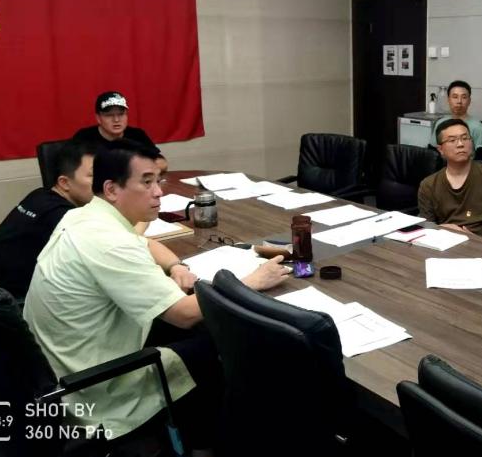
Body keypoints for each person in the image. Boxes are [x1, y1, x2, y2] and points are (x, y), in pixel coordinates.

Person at [24, 139, 290, 453]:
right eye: (147, 182)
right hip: (94, 387)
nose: (159, 192)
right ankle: (213, 445)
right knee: (220, 341)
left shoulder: (84, 216)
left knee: (197, 327)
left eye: (158, 180)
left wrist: (175, 266)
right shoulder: (110, 242)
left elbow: (144, 244)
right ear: (111, 189)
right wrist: (252, 282)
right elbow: (184, 313)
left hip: (59, 364)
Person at [0, 140, 95, 298]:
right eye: (94, 175)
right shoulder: (66, 216)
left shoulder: (38, 195)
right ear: (64, 183)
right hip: (9, 302)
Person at [418, 119, 482, 240]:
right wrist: (442, 229)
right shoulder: (428, 184)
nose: (460, 144)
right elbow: (427, 225)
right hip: (444, 242)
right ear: (441, 149)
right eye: (452, 140)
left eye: (465, 138)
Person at [72, 90, 168, 173]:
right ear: (98, 118)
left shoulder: (137, 135)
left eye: (121, 114)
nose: (116, 120)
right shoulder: (84, 137)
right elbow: (71, 168)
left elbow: (162, 163)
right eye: (109, 115)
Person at [429, 80, 482, 154]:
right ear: (448, 100)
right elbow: (432, 152)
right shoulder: (440, 123)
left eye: (464, 97)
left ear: (469, 101)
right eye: (455, 97)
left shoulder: (478, 127)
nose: (459, 101)